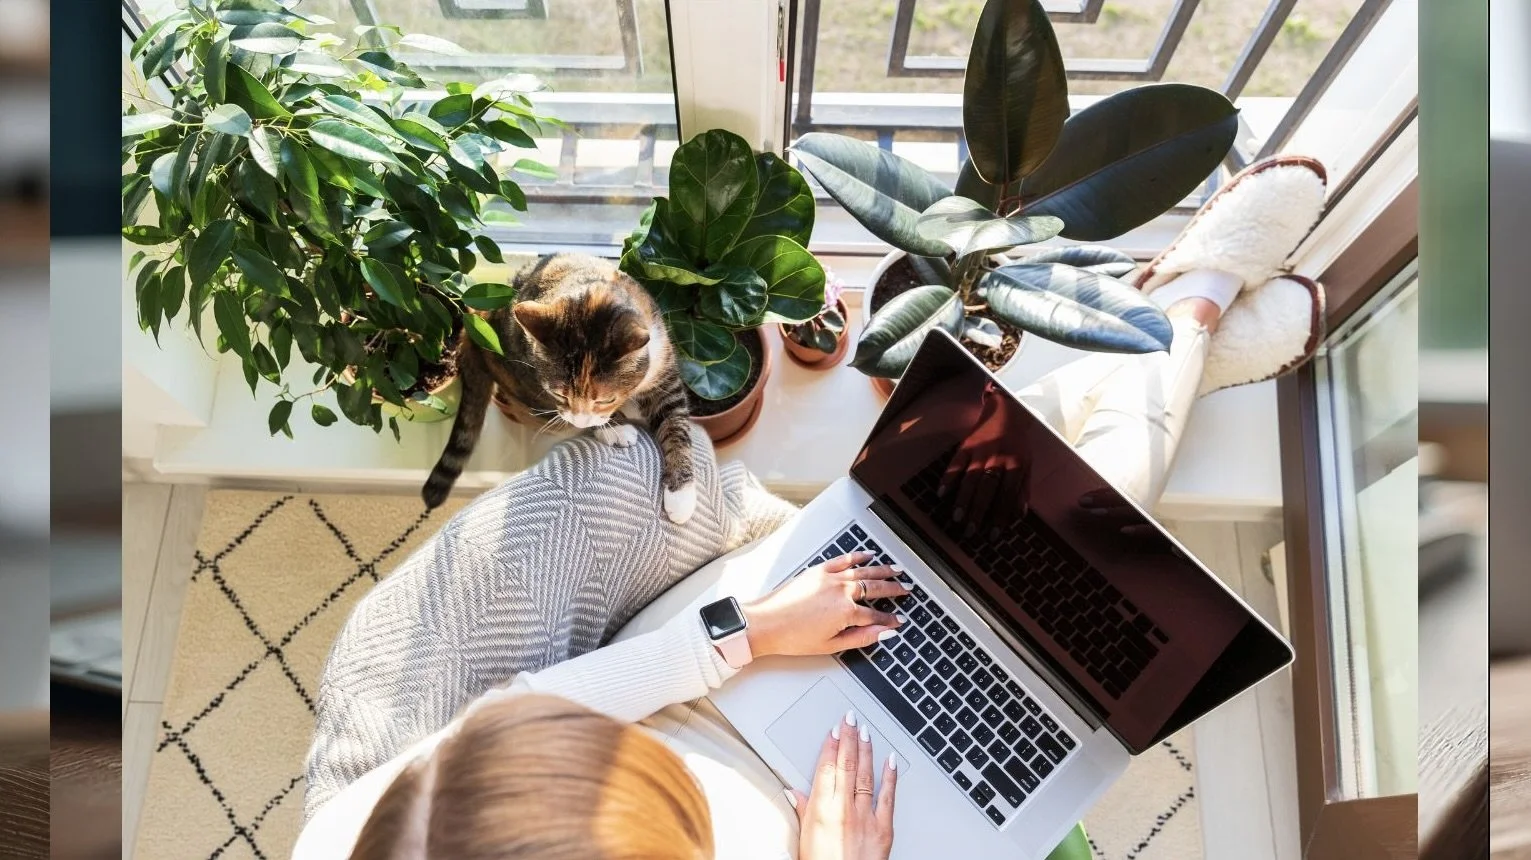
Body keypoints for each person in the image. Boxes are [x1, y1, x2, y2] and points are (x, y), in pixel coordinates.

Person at [295, 155, 1328, 860]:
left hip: (698, 684)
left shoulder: (374, 832)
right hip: (842, 820)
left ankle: (1177, 320)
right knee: (1051, 569)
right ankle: (1178, 321)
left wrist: (741, 634)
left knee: (973, 515)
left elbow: (517, 708)